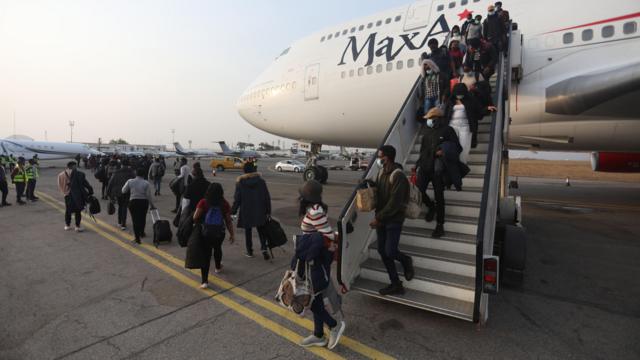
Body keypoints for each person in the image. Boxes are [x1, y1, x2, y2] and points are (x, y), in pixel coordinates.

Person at [295, 179, 346, 349]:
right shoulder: (313, 209)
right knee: (316, 296)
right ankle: (318, 334)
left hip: (317, 260)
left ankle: (333, 325)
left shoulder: (315, 211)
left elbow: (329, 235)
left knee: (311, 299)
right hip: (313, 258)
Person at [368, 145, 414, 296]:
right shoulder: (381, 172)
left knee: (390, 251)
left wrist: (378, 218)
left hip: (393, 219)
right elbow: (376, 185)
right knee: (382, 251)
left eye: (380, 156)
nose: (378, 159)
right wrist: (366, 184)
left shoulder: (398, 175)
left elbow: (395, 202)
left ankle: (406, 260)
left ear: (387, 157)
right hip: (382, 218)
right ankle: (396, 284)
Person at [417, 108, 461, 238]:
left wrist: (444, 151)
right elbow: (423, 150)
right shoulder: (427, 130)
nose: (428, 121)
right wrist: (417, 165)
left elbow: (457, 148)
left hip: (438, 170)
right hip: (425, 167)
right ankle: (431, 206)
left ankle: (440, 225)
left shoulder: (448, 130)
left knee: (439, 197)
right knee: (419, 191)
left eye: (430, 119)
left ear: (437, 118)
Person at [192, 183, 235, 286]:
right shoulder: (224, 203)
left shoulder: (203, 202)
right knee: (217, 248)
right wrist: (232, 234)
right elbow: (228, 220)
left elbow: (195, 217)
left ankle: (204, 281)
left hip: (206, 232)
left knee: (206, 254)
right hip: (219, 232)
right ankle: (218, 267)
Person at [231, 162, 272, 260]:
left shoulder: (240, 183)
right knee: (261, 230)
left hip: (246, 210)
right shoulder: (261, 181)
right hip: (260, 209)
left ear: (244, 171)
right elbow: (267, 197)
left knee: (248, 232)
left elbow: (237, 199)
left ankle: (249, 251)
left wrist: (233, 211)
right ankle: (264, 249)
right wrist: (268, 211)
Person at [121, 167, 155, 244]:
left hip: (133, 202)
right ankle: (142, 233)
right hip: (143, 202)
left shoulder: (130, 181)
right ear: (143, 174)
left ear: (136, 173)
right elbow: (148, 196)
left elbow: (123, 190)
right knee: (142, 218)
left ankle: (137, 238)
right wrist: (152, 205)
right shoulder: (146, 183)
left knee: (135, 220)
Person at [57, 161, 93, 232]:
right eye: (75, 166)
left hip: (67, 195)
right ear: (73, 166)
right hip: (77, 195)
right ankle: (77, 226)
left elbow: (60, 185)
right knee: (77, 210)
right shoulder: (80, 174)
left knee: (68, 210)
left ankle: (67, 225)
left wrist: (65, 192)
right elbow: (86, 184)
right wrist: (90, 191)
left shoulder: (61, 175)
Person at [107, 159, 135, 230]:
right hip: (127, 192)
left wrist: (108, 193)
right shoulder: (131, 173)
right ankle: (123, 224)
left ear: (122, 165)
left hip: (118, 193)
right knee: (124, 207)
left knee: (120, 206)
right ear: (128, 165)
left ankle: (119, 222)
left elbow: (111, 183)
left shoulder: (116, 172)